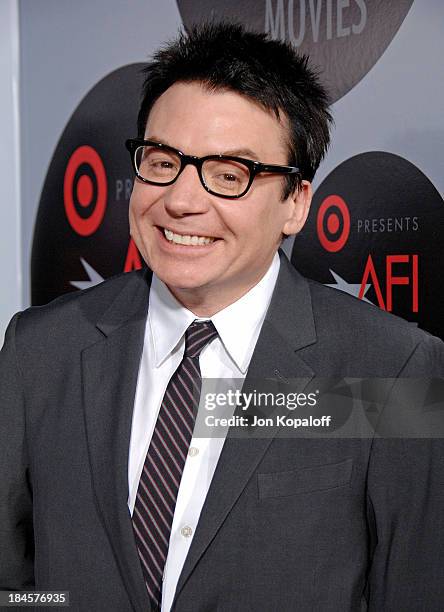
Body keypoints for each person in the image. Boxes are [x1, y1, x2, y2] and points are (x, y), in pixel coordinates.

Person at [1, 21, 443, 612]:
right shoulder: (40, 351)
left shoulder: (393, 368)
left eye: (229, 175)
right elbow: (16, 588)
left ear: (296, 203)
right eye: (162, 163)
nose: (182, 200)